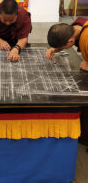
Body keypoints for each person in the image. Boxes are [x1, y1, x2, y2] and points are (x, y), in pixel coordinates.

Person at [46, 17, 88, 146]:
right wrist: (55, 49)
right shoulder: (76, 27)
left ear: (70, 41)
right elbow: (68, 41)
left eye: (62, 46)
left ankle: (85, 138)